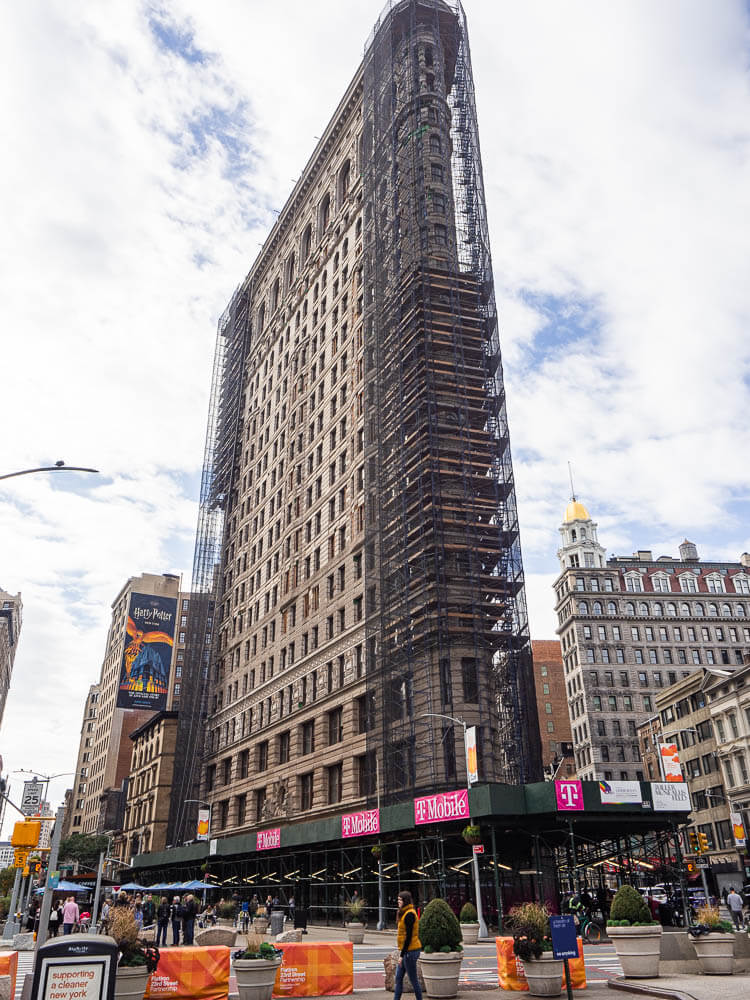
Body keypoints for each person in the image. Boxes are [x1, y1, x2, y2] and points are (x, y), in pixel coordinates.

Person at [394, 891, 422, 1000]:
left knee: (413, 979)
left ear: (405, 901)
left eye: (400, 900)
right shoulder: (404, 912)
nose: (398, 902)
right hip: (406, 950)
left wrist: (402, 955)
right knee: (398, 978)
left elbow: (409, 937)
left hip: (410, 951)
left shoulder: (409, 914)